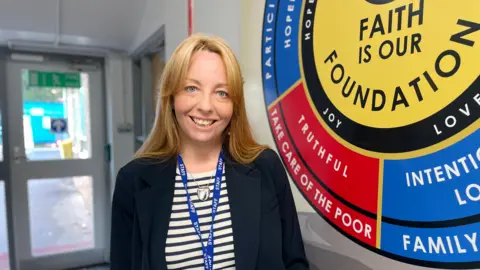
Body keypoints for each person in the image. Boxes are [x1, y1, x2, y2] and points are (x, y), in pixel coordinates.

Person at [110, 33, 309, 270]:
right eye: (192, 88)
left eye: (222, 93)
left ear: (234, 105)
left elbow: (294, 261)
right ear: (171, 96)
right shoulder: (133, 181)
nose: (206, 106)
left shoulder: (266, 167)